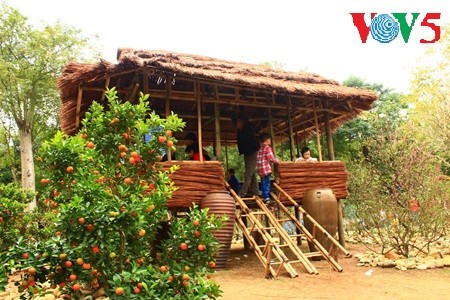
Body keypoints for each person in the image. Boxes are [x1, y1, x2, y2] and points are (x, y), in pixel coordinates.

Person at [231, 108, 260, 197]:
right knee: (251, 173)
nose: (237, 124)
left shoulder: (247, 128)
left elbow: (245, 118)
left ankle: (242, 193)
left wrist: (240, 108)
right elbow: (234, 120)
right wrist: (233, 113)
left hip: (252, 152)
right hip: (247, 153)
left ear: (242, 122)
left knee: (248, 174)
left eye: (238, 122)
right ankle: (256, 191)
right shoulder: (240, 131)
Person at [256, 133, 280, 203]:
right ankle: (266, 198)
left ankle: (261, 193)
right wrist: (277, 161)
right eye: (270, 140)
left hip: (260, 169)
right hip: (265, 169)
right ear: (267, 141)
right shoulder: (267, 148)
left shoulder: (260, 149)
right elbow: (271, 158)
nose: (270, 142)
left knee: (263, 182)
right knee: (267, 183)